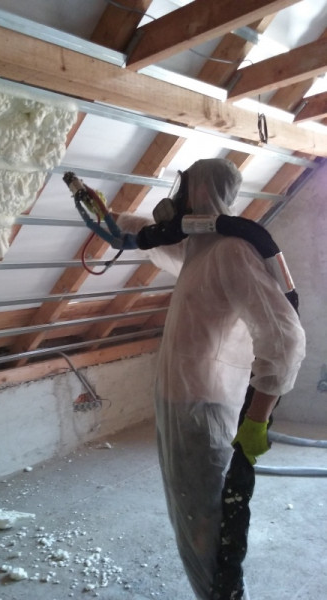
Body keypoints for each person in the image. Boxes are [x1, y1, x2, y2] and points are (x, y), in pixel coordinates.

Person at [116, 158, 306, 599]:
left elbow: (284, 339)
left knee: (207, 517)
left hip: (203, 405)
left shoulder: (231, 251)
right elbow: (154, 238)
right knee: (188, 510)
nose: (178, 197)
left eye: (186, 187)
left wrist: (257, 420)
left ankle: (221, 594)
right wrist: (112, 220)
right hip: (179, 400)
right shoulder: (199, 247)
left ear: (201, 191)